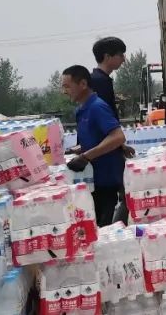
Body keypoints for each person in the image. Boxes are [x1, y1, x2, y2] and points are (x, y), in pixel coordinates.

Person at [62, 65, 128, 227]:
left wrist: (86, 157)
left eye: (67, 86)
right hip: (92, 181)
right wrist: (76, 151)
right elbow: (96, 138)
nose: (64, 91)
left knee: (104, 228)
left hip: (105, 181)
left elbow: (118, 136)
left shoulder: (97, 107)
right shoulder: (82, 110)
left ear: (83, 84)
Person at [90, 37, 126, 119]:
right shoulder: (100, 81)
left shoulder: (97, 78)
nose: (123, 59)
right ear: (107, 57)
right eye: (121, 55)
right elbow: (105, 116)